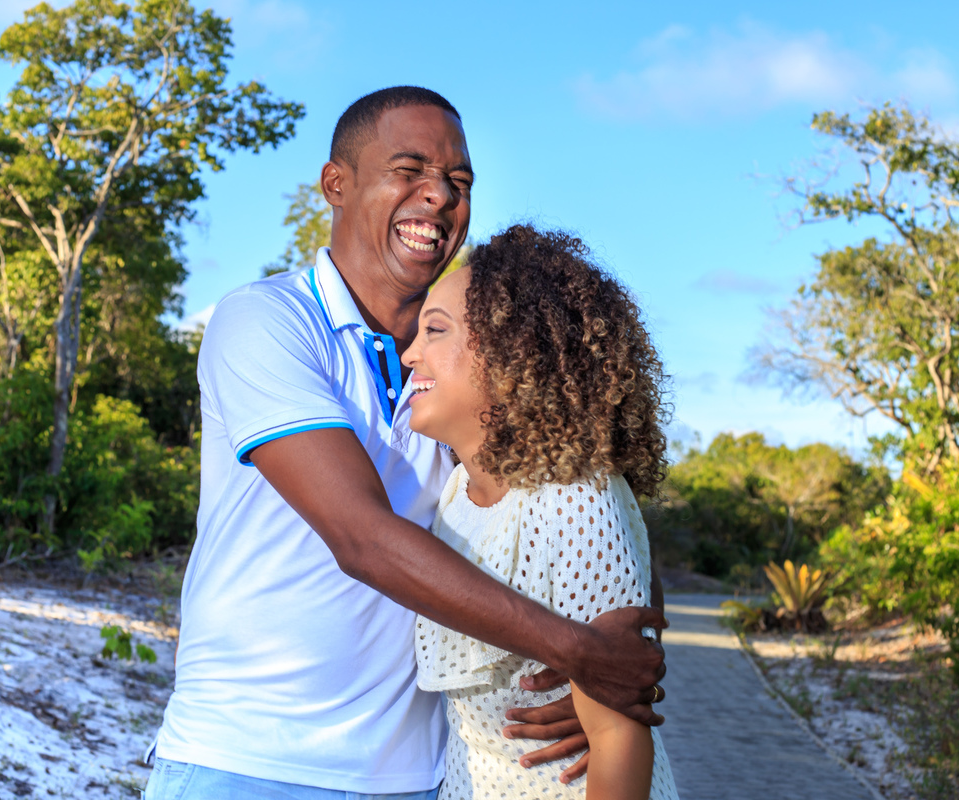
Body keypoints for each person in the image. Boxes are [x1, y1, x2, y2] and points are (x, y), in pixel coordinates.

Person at [145, 87, 668, 800]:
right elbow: (361, 536)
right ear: (336, 183)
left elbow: (596, 516)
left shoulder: (471, 367)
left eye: (458, 182)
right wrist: (576, 650)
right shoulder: (265, 322)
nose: (438, 197)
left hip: (423, 778)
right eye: (409, 169)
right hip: (249, 764)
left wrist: (618, 670)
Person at [403, 225, 679, 800]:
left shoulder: (574, 498)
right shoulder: (454, 494)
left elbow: (618, 734)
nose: (411, 352)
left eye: (435, 331)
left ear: (511, 357)